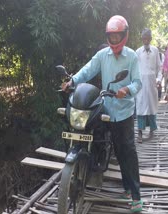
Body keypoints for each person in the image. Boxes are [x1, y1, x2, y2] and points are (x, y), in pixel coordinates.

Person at [62, 15, 143, 212]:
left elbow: (138, 82)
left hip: (123, 111)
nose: (114, 41)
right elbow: (88, 70)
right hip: (106, 108)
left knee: (128, 151)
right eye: (111, 37)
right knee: (107, 143)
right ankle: (92, 171)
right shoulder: (102, 56)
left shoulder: (131, 56)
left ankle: (135, 194)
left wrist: (127, 90)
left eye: (118, 37)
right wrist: (72, 81)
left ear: (124, 36)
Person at [135, 28, 162, 143]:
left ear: (150, 39)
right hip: (141, 84)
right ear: (142, 39)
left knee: (151, 107)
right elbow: (135, 69)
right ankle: (140, 133)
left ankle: (152, 131)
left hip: (152, 84)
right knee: (140, 107)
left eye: (147, 38)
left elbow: (159, 68)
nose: (145, 40)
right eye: (143, 38)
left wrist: (159, 79)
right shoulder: (137, 52)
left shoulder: (155, 51)